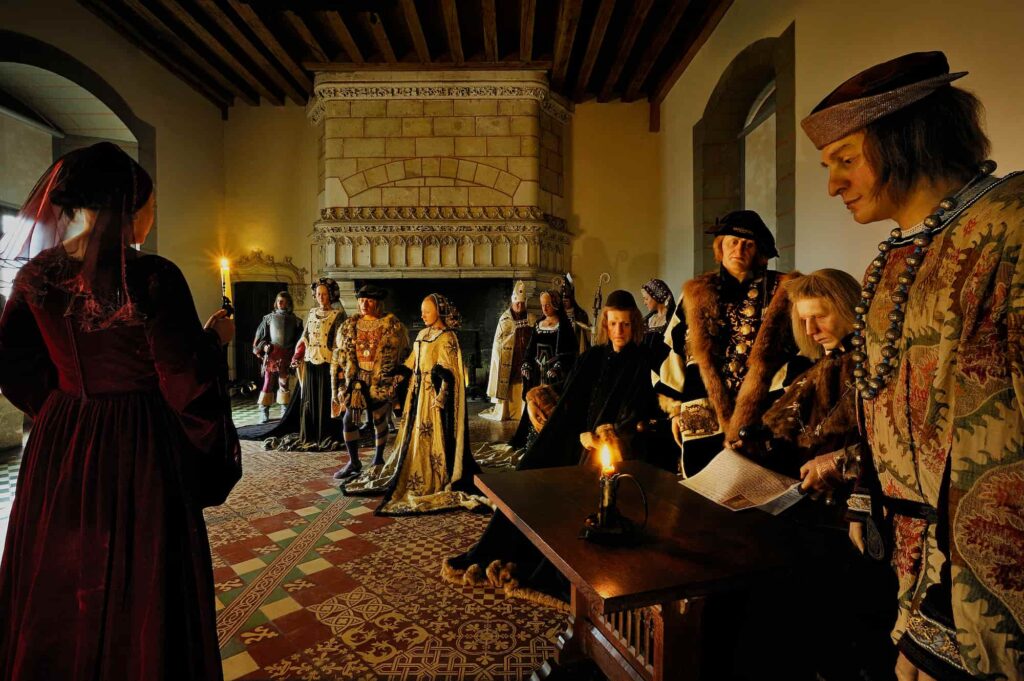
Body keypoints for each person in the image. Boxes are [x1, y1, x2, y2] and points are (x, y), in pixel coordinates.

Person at [804, 50, 1024, 680]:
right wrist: (863, 488)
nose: (834, 185)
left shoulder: (1010, 227)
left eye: (846, 159)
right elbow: (896, 407)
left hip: (990, 594)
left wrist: (949, 609)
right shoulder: (892, 260)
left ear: (910, 140)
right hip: (914, 568)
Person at [0, 142, 239, 680]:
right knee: (142, 572)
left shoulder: (38, 276)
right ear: (132, 207)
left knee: (60, 571)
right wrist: (212, 343)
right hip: (139, 446)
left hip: (61, 444)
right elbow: (184, 382)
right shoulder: (152, 276)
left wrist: (61, 403)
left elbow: (10, 358)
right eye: (150, 205)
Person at [443, 291, 667, 607]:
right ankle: (508, 551)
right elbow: (567, 393)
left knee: (579, 490)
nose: (619, 331)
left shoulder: (642, 363)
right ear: (606, 323)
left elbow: (639, 412)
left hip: (613, 452)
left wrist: (604, 436)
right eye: (614, 323)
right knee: (531, 474)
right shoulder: (593, 357)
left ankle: (557, 570)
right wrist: (540, 398)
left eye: (626, 325)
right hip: (577, 443)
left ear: (635, 326)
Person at [740, 269, 898, 681]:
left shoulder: (878, 363)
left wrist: (839, 464)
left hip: (853, 525)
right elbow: (790, 432)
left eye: (821, 317)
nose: (810, 329)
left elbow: (896, 444)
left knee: (850, 638)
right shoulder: (816, 366)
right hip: (807, 522)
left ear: (848, 309)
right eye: (803, 320)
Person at [655, 210, 804, 476]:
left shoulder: (784, 292)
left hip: (763, 411)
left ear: (759, 251)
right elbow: (672, 349)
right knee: (704, 491)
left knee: (759, 492)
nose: (739, 249)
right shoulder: (694, 293)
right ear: (720, 247)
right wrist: (675, 410)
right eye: (732, 241)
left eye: (748, 244)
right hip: (703, 409)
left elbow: (800, 351)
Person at [342, 294, 488, 516]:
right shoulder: (422, 334)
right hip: (417, 394)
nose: (422, 315)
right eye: (421, 311)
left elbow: (452, 373)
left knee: (432, 437)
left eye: (426, 311)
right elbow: (412, 363)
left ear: (438, 312)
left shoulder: (447, 338)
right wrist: (398, 373)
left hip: (432, 399)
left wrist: (441, 379)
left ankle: (436, 471)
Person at [330, 284, 403, 480]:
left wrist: (395, 380)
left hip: (380, 380)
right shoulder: (348, 326)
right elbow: (340, 356)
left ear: (378, 302)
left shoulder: (392, 325)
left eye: (369, 300)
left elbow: (400, 356)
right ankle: (353, 462)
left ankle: (378, 460)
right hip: (356, 382)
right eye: (361, 300)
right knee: (348, 420)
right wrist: (339, 385)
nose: (364, 304)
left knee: (380, 419)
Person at [271, 277, 345, 451]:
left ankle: (326, 434)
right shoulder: (311, 313)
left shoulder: (338, 315)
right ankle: (311, 434)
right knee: (310, 401)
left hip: (328, 364)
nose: (321, 297)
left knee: (327, 400)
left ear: (331, 296)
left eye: (324, 294)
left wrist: (339, 366)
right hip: (311, 362)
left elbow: (339, 342)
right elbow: (305, 337)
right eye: (318, 294)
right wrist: (297, 355)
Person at [480, 280, 534, 422]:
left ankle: (523, 410)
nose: (519, 306)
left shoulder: (531, 318)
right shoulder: (504, 319)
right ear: (512, 302)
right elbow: (499, 342)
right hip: (509, 357)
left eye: (522, 303)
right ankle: (506, 411)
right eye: (517, 303)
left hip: (525, 356)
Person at [252, 290, 303, 424]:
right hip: (273, 353)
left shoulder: (296, 321)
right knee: (268, 382)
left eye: (283, 301)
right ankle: (264, 409)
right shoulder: (268, 319)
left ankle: (284, 409)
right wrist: (264, 347)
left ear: (288, 303)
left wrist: (296, 355)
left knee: (284, 383)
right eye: (279, 301)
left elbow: (300, 341)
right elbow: (259, 339)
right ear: (276, 302)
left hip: (287, 354)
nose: (280, 303)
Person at [521, 289, 577, 396]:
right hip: (537, 373)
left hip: (555, 375)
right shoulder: (538, 324)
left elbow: (570, 351)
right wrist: (526, 364)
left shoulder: (564, 326)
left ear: (555, 304)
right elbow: (530, 348)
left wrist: (558, 367)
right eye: (542, 305)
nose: (544, 308)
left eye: (548, 305)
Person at [639, 278, 675, 364]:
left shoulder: (672, 320)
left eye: (646, 299)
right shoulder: (647, 320)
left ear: (656, 296)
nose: (644, 302)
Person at [559, 273, 592, 354]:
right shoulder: (558, 314)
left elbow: (588, 333)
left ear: (571, 300)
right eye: (563, 301)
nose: (564, 303)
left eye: (566, 301)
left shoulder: (580, 314)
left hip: (576, 349)